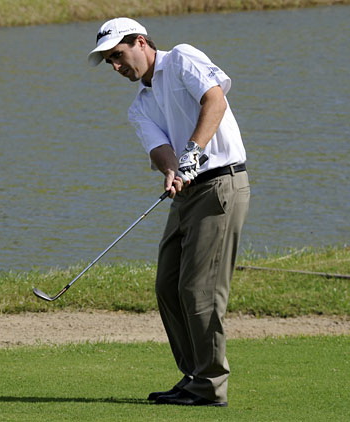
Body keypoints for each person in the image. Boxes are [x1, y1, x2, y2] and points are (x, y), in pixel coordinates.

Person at [87, 17, 250, 407]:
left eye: (118, 55)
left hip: (221, 183)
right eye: (109, 60)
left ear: (140, 42)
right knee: (168, 284)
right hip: (187, 192)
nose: (116, 66)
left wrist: (193, 150)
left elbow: (215, 99)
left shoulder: (182, 59)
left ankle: (210, 384)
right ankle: (194, 374)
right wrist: (172, 169)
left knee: (199, 291)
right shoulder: (140, 105)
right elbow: (159, 149)